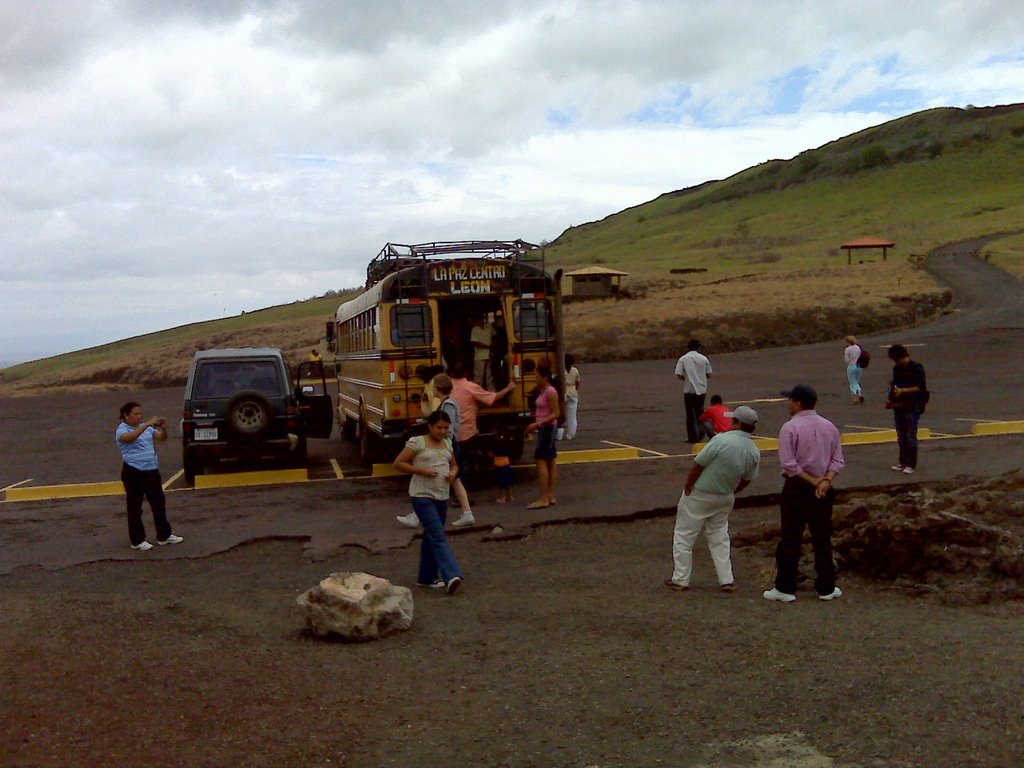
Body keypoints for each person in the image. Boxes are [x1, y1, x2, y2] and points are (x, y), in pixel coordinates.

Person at [664, 405, 761, 593]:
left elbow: (698, 464)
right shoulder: (753, 450)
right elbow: (747, 479)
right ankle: (726, 579)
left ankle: (680, 579)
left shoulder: (721, 440)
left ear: (738, 423)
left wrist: (689, 486)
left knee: (684, 535)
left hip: (701, 493)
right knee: (719, 537)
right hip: (724, 496)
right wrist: (732, 490)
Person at [764, 385, 845, 603]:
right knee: (822, 537)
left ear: (798, 403)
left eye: (790, 400)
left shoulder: (790, 428)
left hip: (798, 487)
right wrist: (825, 480)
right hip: (823, 488)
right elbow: (838, 460)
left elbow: (789, 464)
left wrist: (814, 481)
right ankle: (826, 586)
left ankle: (785, 587)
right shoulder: (829, 426)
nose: (788, 403)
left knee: (791, 537)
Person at [392, 410, 463, 594]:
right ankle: (451, 574)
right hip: (422, 495)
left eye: (446, 428)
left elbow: (455, 464)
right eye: (439, 427)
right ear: (430, 426)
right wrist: (421, 470)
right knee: (438, 535)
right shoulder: (418, 442)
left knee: (431, 536)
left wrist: (453, 473)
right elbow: (399, 463)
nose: (442, 431)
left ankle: (426, 577)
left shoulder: (447, 443)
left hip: (442, 495)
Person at [397, 374, 477, 529]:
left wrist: (442, 440)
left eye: (433, 386)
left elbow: (450, 428)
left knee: (438, 477)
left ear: (437, 388)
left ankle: (417, 515)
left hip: (448, 445)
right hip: (449, 444)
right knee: (454, 479)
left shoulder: (448, 405)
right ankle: (466, 513)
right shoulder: (446, 403)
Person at [115, 402, 184, 551]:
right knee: (135, 507)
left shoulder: (147, 429)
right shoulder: (122, 430)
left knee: (158, 504)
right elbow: (129, 438)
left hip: (151, 470)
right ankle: (137, 540)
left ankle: (164, 535)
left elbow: (161, 437)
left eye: (141, 414)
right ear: (126, 416)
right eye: (136, 414)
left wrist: (163, 429)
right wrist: (147, 424)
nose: (139, 416)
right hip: (133, 471)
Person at [450, 365, 516, 490]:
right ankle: (463, 492)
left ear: (451, 373)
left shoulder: (446, 387)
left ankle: (454, 490)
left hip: (449, 432)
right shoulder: (470, 387)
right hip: (467, 432)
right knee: (468, 462)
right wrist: (509, 388)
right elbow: (492, 398)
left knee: (455, 462)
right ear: (466, 373)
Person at [887, 344, 928, 475]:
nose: (896, 362)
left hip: (913, 404)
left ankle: (911, 464)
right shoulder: (896, 369)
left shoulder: (916, 368)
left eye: (897, 359)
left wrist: (903, 391)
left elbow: (921, 387)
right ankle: (902, 461)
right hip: (900, 405)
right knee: (901, 435)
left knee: (911, 435)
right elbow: (895, 383)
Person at [525, 358, 559, 509]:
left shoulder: (550, 391)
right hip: (546, 428)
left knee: (541, 460)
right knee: (550, 460)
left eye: (537, 377)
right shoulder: (543, 390)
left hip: (547, 428)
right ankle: (550, 495)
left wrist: (538, 424)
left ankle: (544, 497)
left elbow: (556, 413)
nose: (535, 380)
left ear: (544, 377)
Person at [674, 339, 713, 443]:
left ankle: (693, 437)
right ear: (699, 347)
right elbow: (709, 374)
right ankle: (703, 433)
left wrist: (687, 379)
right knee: (701, 413)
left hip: (689, 389)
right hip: (702, 388)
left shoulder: (683, 359)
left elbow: (678, 373)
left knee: (691, 415)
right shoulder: (703, 358)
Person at [492, 426, 516, 503]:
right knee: (507, 482)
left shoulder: (496, 446)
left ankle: (502, 497)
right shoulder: (506, 447)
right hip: (506, 464)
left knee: (501, 484)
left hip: (499, 465)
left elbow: (492, 454)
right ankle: (509, 496)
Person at [470, 315, 495, 389]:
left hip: (489, 354)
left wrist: (493, 345)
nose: (479, 322)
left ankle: (491, 391)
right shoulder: (475, 329)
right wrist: (489, 346)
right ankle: (477, 391)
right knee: (478, 376)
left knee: (489, 375)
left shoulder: (489, 327)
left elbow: (495, 336)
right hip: (479, 355)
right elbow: (476, 343)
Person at [560, 353, 581, 441]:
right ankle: (570, 434)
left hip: (563, 392)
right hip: (573, 392)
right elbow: (578, 383)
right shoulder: (575, 370)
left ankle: (558, 434)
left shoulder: (561, 370)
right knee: (572, 415)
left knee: (560, 414)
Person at [490, 313, 510, 390]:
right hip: (499, 351)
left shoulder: (501, 330)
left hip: (503, 351)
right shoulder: (499, 330)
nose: (500, 323)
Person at [844, 336, 864, 404]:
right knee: (856, 381)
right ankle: (860, 394)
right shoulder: (858, 347)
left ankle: (855, 397)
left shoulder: (848, 349)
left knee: (852, 382)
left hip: (851, 366)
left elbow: (846, 360)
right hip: (859, 366)